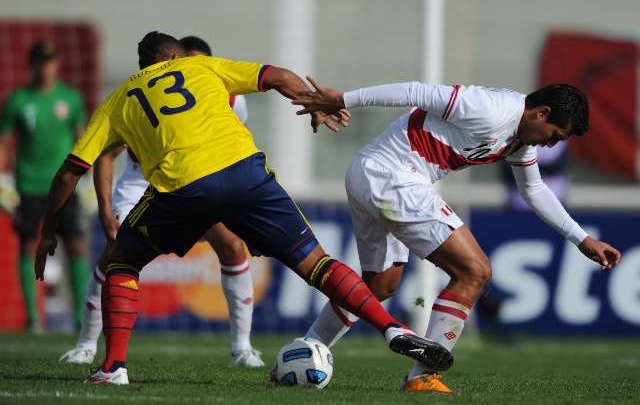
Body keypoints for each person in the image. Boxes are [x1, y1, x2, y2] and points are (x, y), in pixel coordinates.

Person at [35, 31, 452, 385]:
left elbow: (71, 172)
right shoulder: (202, 67)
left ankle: (112, 367)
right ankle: (393, 328)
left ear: (142, 64)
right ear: (177, 56)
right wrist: (316, 104)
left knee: (122, 262)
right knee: (318, 264)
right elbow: (278, 76)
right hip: (245, 175)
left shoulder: (119, 98)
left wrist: (47, 230)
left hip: (182, 187)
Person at [293, 79, 622, 393]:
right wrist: (342, 99)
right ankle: (423, 377)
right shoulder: (492, 108)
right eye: (554, 136)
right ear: (542, 113)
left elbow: (533, 189)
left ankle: (306, 350)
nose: (549, 144)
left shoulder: (520, 137)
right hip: (391, 177)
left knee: (380, 285)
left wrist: (582, 239)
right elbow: (415, 91)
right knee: (475, 271)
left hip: (372, 175)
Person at [59, 36, 265, 367]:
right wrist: (105, 209)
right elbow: (108, 155)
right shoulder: (146, 93)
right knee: (114, 255)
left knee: (232, 246)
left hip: (193, 181)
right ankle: (87, 345)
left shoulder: (232, 100)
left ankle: (242, 348)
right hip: (141, 183)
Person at [0, 41, 90, 333]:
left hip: (66, 185)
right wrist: (3, 181)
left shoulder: (71, 99)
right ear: (32, 65)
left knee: (76, 245)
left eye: (50, 61)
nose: (46, 67)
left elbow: (82, 138)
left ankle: (80, 317)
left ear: (57, 64)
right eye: (41, 61)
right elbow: (4, 143)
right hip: (29, 185)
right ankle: (33, 318)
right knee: (28, 245)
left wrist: (86, 178)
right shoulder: (18, 101)